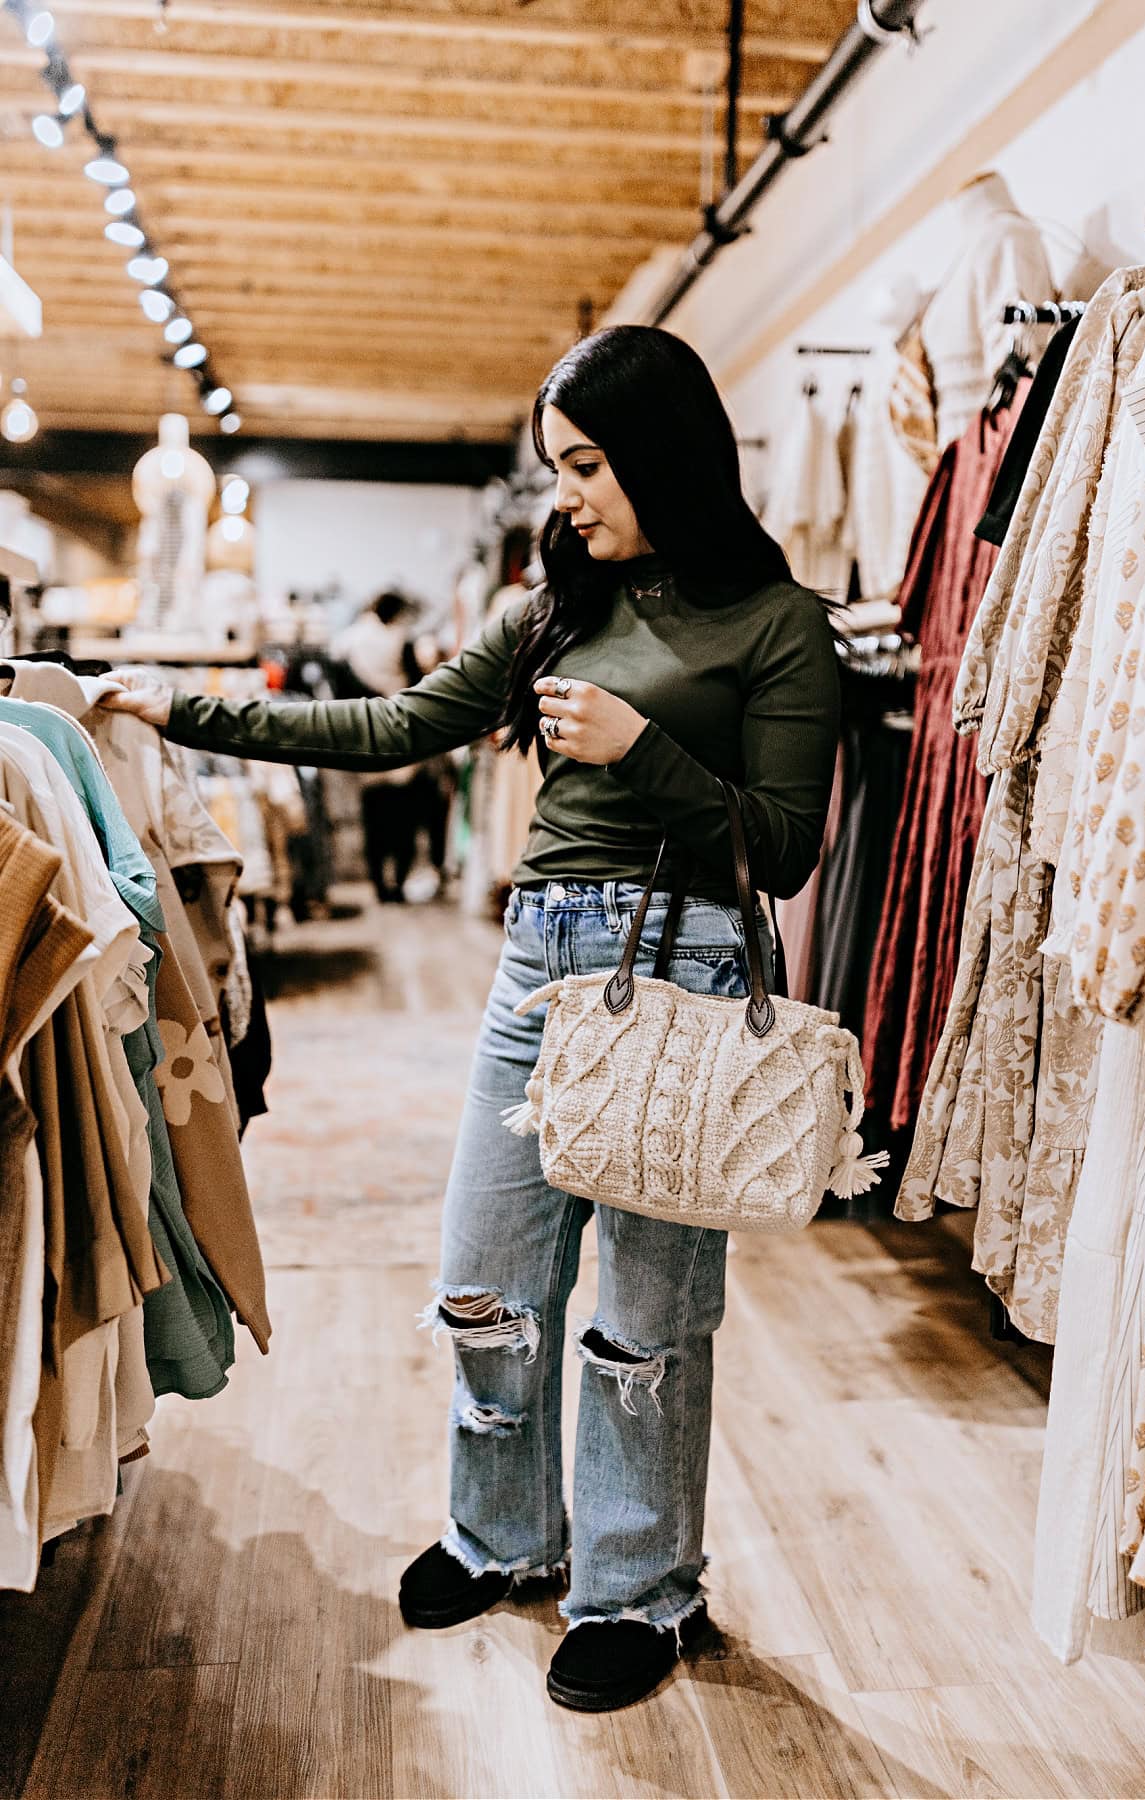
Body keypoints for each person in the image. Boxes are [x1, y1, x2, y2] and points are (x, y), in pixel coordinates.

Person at [102, 325, 841, 1713]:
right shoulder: (554, 605)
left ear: (661, 459)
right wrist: (186, 712)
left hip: (679, 969)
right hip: (536, 964)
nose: (567, 496)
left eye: (586, 467)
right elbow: (395, 728)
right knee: (487, 1282)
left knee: (644, 1320)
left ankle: (640, 1589)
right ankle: (505, 1539)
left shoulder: (778, 626)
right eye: (558, 468)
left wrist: (648, 752)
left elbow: (784, 850)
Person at [332, 590, 450, 902]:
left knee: (373, 818)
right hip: (400, 737)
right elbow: (417, 687)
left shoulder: (350, 643)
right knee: (404, 819)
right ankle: (397, 881)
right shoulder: (403, 643)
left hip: (365, 738)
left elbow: (340, 695)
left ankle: (378, 885)